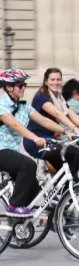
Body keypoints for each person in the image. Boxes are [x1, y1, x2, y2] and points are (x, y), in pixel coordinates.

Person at [0, 69, 69, 216]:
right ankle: (14, 206)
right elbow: (15, 125)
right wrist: (34, 138)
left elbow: (43, 120)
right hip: (1, 151)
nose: (23, 88)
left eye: (24, 85)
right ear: (9, 87)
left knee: (34, 188)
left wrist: (66, 131)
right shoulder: (1, 105)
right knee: (28, 165)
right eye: (20, 85)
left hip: (11, 152)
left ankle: (19, 224)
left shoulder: (23, 105)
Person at [23, 68, 79, 184]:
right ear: (46, 82)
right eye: (52, 80)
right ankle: (67, 188)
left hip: (51, 141)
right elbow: (58, 114)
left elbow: (74, 116)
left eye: (58, 79)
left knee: (69, 173)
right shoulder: (41, 97)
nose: (56, 82)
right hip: (37, 142)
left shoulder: (59, 98)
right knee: (78, 155)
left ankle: (65, 190)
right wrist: (75, 129)